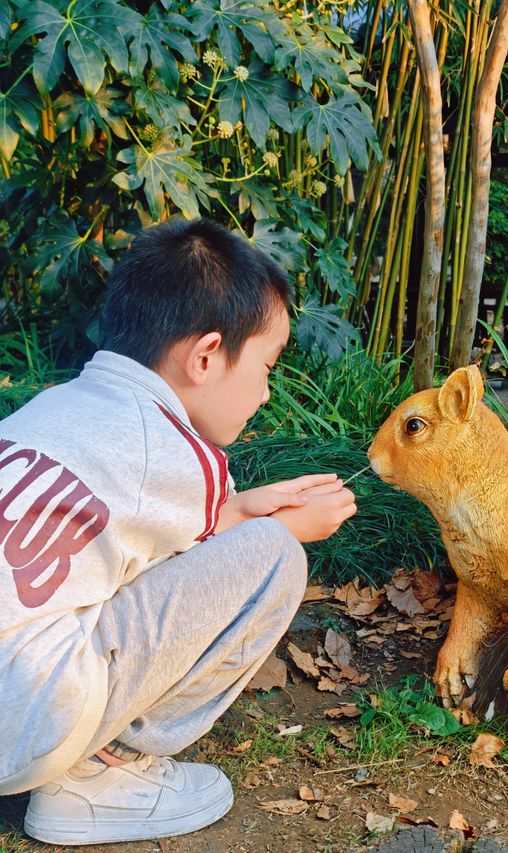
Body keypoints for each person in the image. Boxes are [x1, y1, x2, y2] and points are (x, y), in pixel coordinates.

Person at [0, 219, 357, 845]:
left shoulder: (50, 409)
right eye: (267, 367)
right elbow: (213, 565)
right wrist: (293, 528)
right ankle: (93, 775)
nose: (267, 394)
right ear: (205, 357)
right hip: (26, 721)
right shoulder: (177, 451)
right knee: (274, 558)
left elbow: (139, 536)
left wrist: (241, 509)